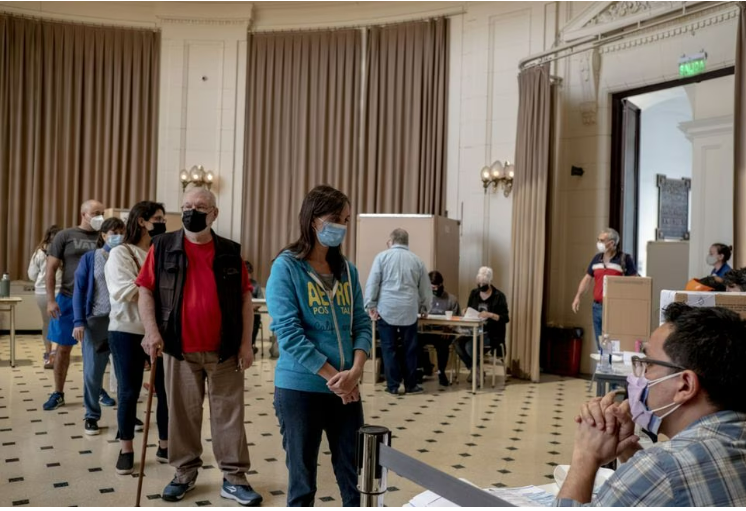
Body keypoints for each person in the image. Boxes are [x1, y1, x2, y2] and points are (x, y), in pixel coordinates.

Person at [137, 188, 262, 506]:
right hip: (179, 349)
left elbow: (246, 298)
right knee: (182, 415)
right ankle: (184, 473)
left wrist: (246, 344)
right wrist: (151, 331)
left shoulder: (231, 251)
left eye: (201, 207)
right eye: (187, 207)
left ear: (215, 213)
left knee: (229, 416)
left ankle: (234, 478)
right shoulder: (163, 246)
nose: (193, 211)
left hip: (225, 351)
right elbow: (146, 290)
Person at [556, 303, 746, 506]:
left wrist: (585, 456)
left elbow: (664, 475)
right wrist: (627, 446)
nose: (638, 375)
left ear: (685, 386)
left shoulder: (661, 468)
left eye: (648, 364)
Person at [266, 185, 371, 507]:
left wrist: (355, 370)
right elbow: (289, 333)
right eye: (335, 218)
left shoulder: (348, 271)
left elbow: (361, 323)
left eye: (346, 219)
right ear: (313, 220)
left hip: (347, 387)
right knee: (302, 480)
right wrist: (334, 378)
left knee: (353, 476)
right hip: (301, 389)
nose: (342, 225)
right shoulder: (286, 267)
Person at [106, 202, 169, 475]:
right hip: (126, 330)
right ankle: (126, 448)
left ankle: (165, 444)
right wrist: (150, 283)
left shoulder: (161, 251)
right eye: (157, 218)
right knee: (129, 391)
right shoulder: (121, 253)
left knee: (165, 392)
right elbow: (122, 291)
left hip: (161, 331)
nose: (161, 223)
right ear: (142, 221)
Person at [43, 200, 105, 411]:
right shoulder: (65, 236)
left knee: (97, 350)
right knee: (63, 349)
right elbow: (50, 269)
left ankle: (97, 389)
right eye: (96, 212)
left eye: (102, 213)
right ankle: (58, 392)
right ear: (83, 214)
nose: (100, 216)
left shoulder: (103, 236)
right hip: (68, 299)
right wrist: (51, 300)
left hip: (97, 301)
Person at [72, 217, 124, 435]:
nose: (117, 236)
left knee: (124, 374)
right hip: (97, 321)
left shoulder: (126, 257)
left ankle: (127, 415)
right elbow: (79, 290)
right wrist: (79, 321)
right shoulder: (90, 258)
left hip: (122, 322)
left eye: (121, 232)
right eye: (113, 232)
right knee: (93, 372)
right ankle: (91, 415)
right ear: (103, 235)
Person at [365, 228, 430, 396]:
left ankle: (392, 385)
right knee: (410, 349)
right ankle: (411, 385)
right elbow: (425, 288)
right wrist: (425, 308)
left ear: (391, 241)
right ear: (407, 242)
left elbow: (373, 283)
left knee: (389, 348)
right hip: (409, 310)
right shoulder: (417, 260)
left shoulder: (382, 257)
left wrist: (370, 305)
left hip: (387, 310)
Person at [571, 228, 637, 350]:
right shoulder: (596, 259)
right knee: (601, 343)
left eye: (602, 240)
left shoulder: (624, 259)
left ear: (611, 243)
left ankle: (612, 366)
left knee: (614, 343)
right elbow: (587, 279)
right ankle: (603, 366)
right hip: (597, 307)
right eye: (598, 240)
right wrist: (577, 297)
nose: (599, 243)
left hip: (616, 308)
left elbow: (634, 284)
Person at [454, 267, 509, 384]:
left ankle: (476, 373)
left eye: (483, 284)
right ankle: (475, 369)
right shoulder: (474, 294)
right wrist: (465, 311)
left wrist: (490, 314)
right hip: (474, 330)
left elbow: (505, 318)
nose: (481, 286)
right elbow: (470, 310)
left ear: (489, 282)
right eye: (479, 284)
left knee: (470, 346)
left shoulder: (499, 296)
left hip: (491, 333)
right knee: (457, 343)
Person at [28, 224, 62, 369]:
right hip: (61, 291)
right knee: (59, 324)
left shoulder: (39, 252)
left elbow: (31, 275)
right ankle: (55, 354)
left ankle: (48, 354)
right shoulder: (64, 250)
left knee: (47, 323)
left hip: (42, 292)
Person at [418, 270, 460, 387]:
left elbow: (458, 319)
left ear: (441, 284)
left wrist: (450, 327)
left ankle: (441, 372)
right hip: (427, 330)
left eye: (436, 287)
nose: (434, 290)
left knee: (443, 345)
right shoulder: (424, 298)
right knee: (414, 341)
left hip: (443, 332)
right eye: (431, 288)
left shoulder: (451, 299)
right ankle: (420, 370)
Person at [245, 260, 264, 354]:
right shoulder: (236, 284)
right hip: (239, 313)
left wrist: (250, 308)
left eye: (249, 273)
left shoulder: (255, 284)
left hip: (253, 313)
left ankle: (250, 345)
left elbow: (260, 300)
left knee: (255, 320)